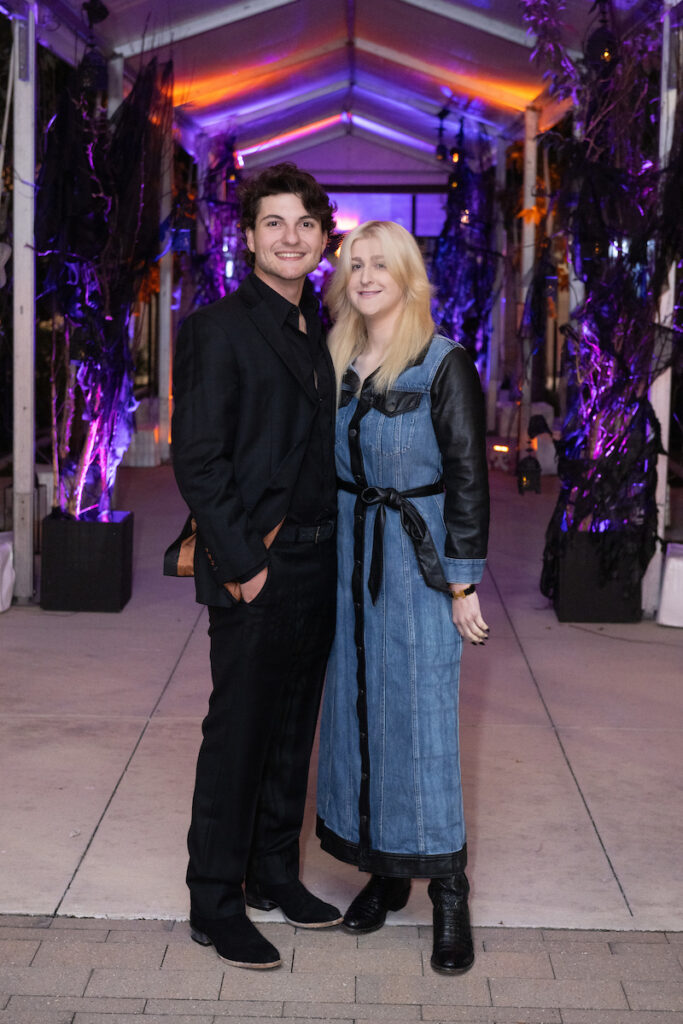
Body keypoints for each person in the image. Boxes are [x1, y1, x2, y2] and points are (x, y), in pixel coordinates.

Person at [170, 163, 342, 971]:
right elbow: (200, 461)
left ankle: (274, 874)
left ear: (321, 238)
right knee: (237, 735)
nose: (290, 237)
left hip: (320, 563)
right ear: (247, 237)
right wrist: (244, 566)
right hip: (259, 564)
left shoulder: (325, 329)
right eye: (273, 223)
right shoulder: (216, 328)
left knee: (289, 732)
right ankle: (215, 899)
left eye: (304, 224)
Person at [316, 220, 490, 975]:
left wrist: (461, 579)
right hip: (347, 563)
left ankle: (447, 891)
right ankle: (384, 873)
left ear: (408, 273)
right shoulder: (334, 357)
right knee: (357, 716)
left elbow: (467, 476)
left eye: (380, 263)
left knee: (421, 725)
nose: (365, 275)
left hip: (416, 569)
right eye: (355, 264)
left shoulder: (443, 361)